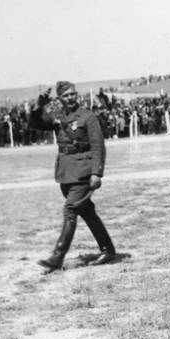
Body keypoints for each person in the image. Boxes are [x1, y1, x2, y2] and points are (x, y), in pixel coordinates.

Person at [28, 81, 115, 272]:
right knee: (87, 212)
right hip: (66, 172)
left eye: (73, 94)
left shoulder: (87, 116)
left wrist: (96, 173)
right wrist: (39, 104)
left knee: (70, 210)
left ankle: (57, 256)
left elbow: (98, 146)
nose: (70, 98)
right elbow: (35, 124)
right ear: (60, 99)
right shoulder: (59, 116)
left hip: (83, 171)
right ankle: (108, 250)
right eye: (66, 96)